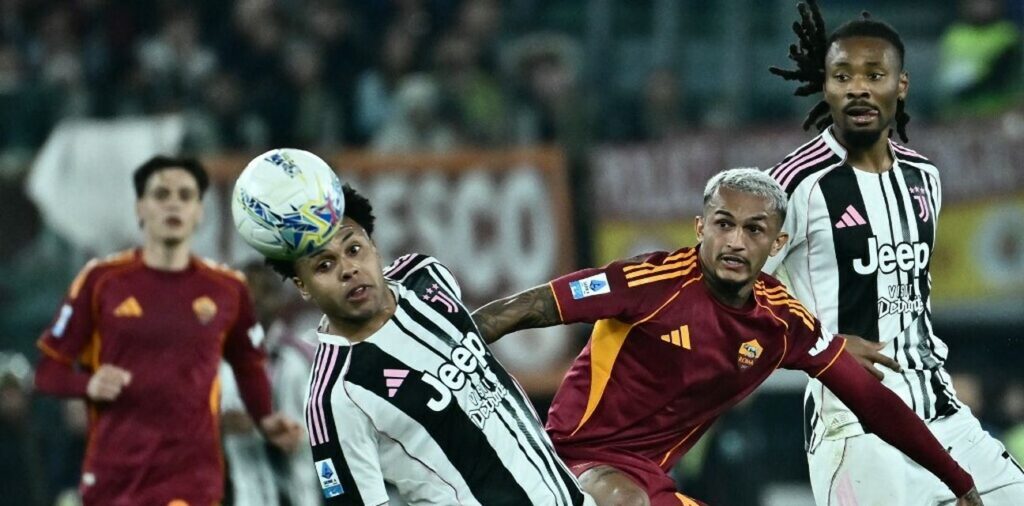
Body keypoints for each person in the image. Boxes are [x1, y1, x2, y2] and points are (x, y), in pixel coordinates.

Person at [472, 168, 983, 506]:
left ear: (778, 243)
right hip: (570, 462)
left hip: (651, 483)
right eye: (724, 224)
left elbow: (874, 402)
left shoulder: (783, 324)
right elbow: (530, 306)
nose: (736, 241)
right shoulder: (648, 283)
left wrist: (958, 480)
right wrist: (435, 347)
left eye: (755, 230)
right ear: (700, 227)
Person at [765, 2, 1024, 504]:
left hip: (944, 417)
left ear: (900, 85)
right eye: (842, 76)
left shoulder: (925, 178)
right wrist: (814, 348)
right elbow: (734, 296)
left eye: (874, 74)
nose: (858, 87)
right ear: (827, 87)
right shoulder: (792, 185)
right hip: (856, 427)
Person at [263, 182, 592, 505]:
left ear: (373, 247)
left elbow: (475, 328)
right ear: (302, 286)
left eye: (353, 249)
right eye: (324, 265)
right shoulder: (334, 396)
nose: (348, 269)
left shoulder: (424, 275)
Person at [33, 155, 302, 506]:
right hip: (117, 478)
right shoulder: (100, 282)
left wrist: (265, 420)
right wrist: (88, 384)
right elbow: (47, 373)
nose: (174, 203)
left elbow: (249, 365)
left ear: (199, 212)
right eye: (161, 195)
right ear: (140, 208)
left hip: (193, 481)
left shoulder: (228, 289)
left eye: (186, 195)